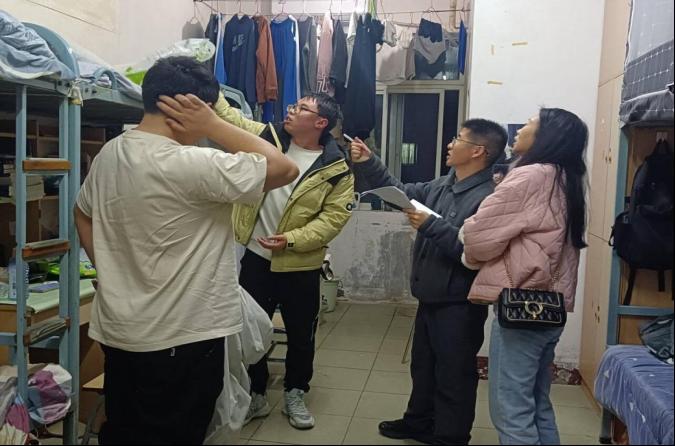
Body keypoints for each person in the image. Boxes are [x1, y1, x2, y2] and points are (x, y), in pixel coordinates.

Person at [73, 56, 299, 445]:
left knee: (124, 429)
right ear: (192, 107)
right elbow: (283, 168)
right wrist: (214, 125)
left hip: (120, 330)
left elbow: (82, 214)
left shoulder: (111, 153)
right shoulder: (192, 163)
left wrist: (109, 273)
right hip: (181, 336)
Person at [350, 120, 508, 445]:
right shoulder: (442, 186)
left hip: (460, 304)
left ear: (478, 151)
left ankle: (451, 436)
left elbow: (471, 252)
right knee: (423, 367)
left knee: (454, 374)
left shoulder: (488, 199)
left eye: (458, 139)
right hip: (429, 296)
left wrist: (430, 225)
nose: (450, 144)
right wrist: (369, 162)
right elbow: (400, 193)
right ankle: (419, 422)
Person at [214, 93, 354, 429]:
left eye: (301, 108)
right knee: (252, 329)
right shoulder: (269, 137)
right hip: (256, 260)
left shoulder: (336, 169)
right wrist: (209, 88)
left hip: (300, 265)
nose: (291, 111)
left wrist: (291, 240)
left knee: (301, 335)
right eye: (294, 106)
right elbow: (232, 119)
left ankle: (295, 392)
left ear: (320, 122)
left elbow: (332, 219)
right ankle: (256, 393)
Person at [461, 108, 589, 445]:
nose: (520, 128)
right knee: (537, 404)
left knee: (511, 411)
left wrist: (469, 254)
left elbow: (478, 235)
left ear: (546, 135)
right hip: (550, 309)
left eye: (532, 123)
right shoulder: (565, 177)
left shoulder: (531, 175)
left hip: (522, 307)